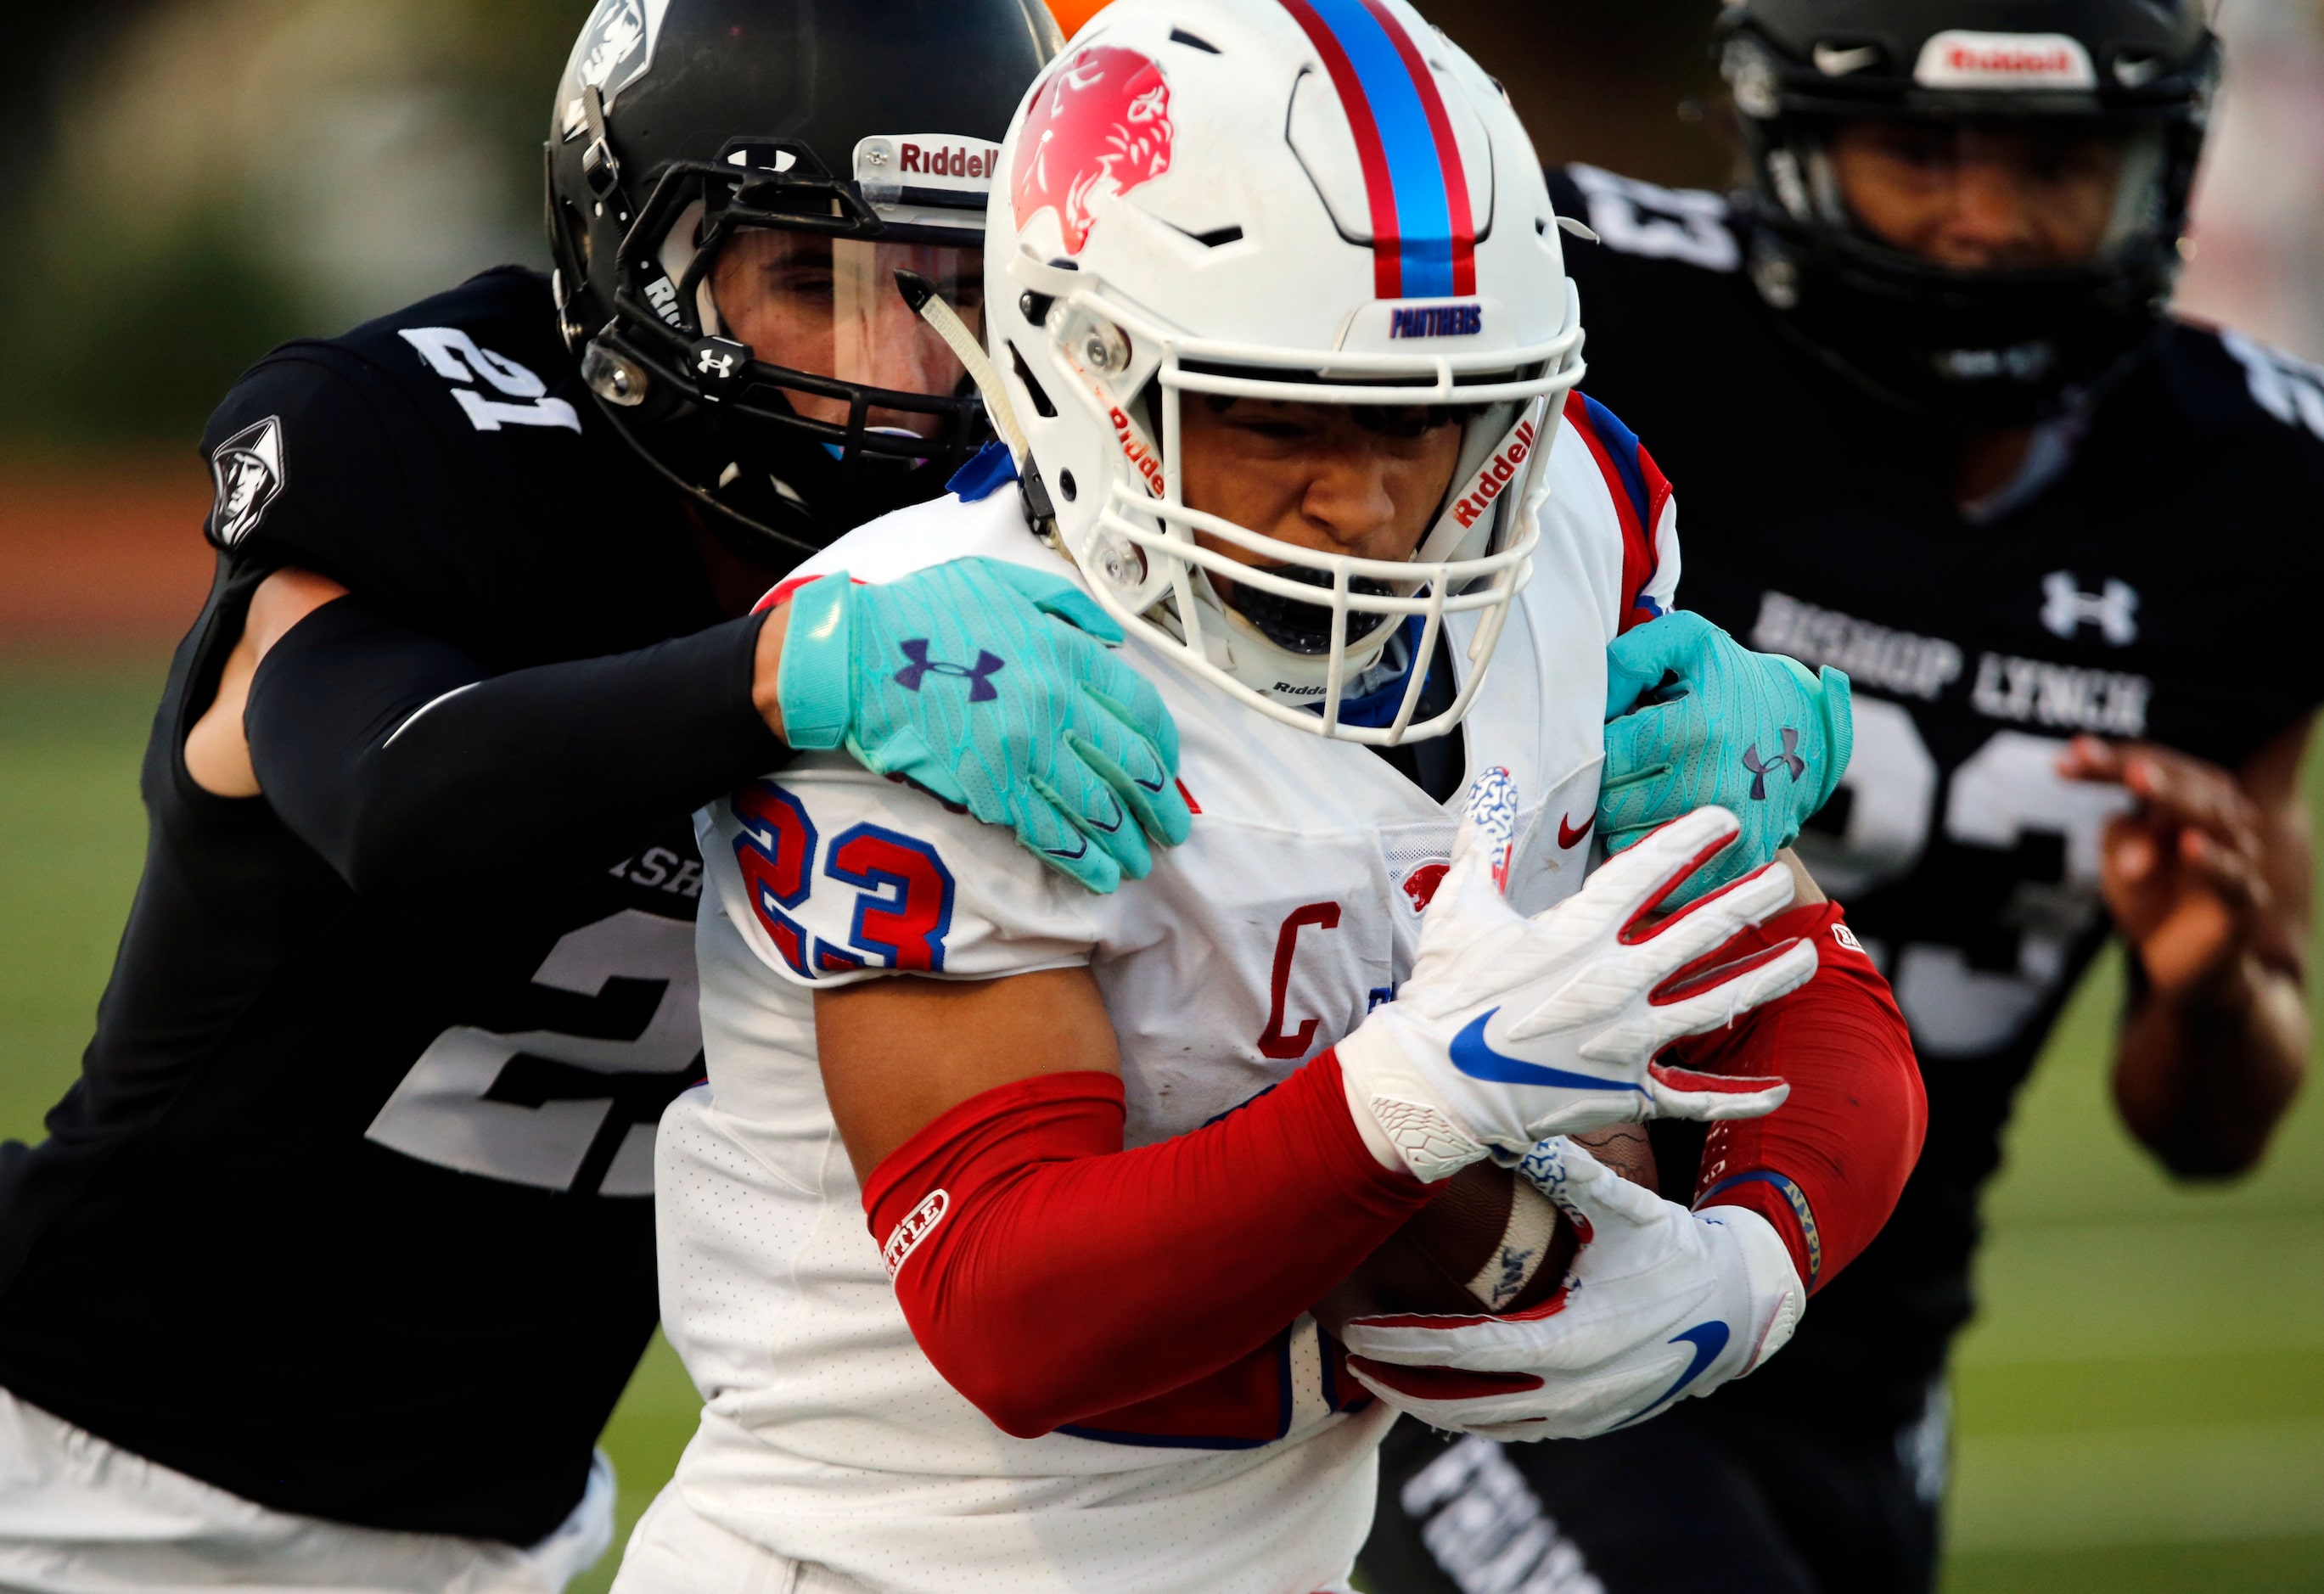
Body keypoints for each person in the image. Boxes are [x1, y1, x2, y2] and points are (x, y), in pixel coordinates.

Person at [615, 3, 1924, 1590]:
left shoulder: (1559, 518)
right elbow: (1015, 1317)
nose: (1368, 504)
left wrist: (1753, 1254)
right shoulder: (959, 668)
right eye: (1276, 415)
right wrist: (1410, 1100)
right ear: (1078, 360)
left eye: (1427, 419)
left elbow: (1810, 982)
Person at [0, 3, 1197, 1590]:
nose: (901, 370)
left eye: (960, 289)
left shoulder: (1034, 530)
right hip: (85, 1470)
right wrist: (775, 677)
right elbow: (394, 795)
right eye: (807, 279)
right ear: (635, 250)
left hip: (506, 1522)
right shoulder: (447, 443)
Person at [1363, 2, 2321, 1590]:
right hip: (1510, 1264)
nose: (1985, 224)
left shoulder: (2257, 493)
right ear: (1788, 137)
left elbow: (2209, 1128)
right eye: (1917, 150)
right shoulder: (1583, 307)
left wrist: (2213, 980)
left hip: (1863, 1344)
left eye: (2052, 165)